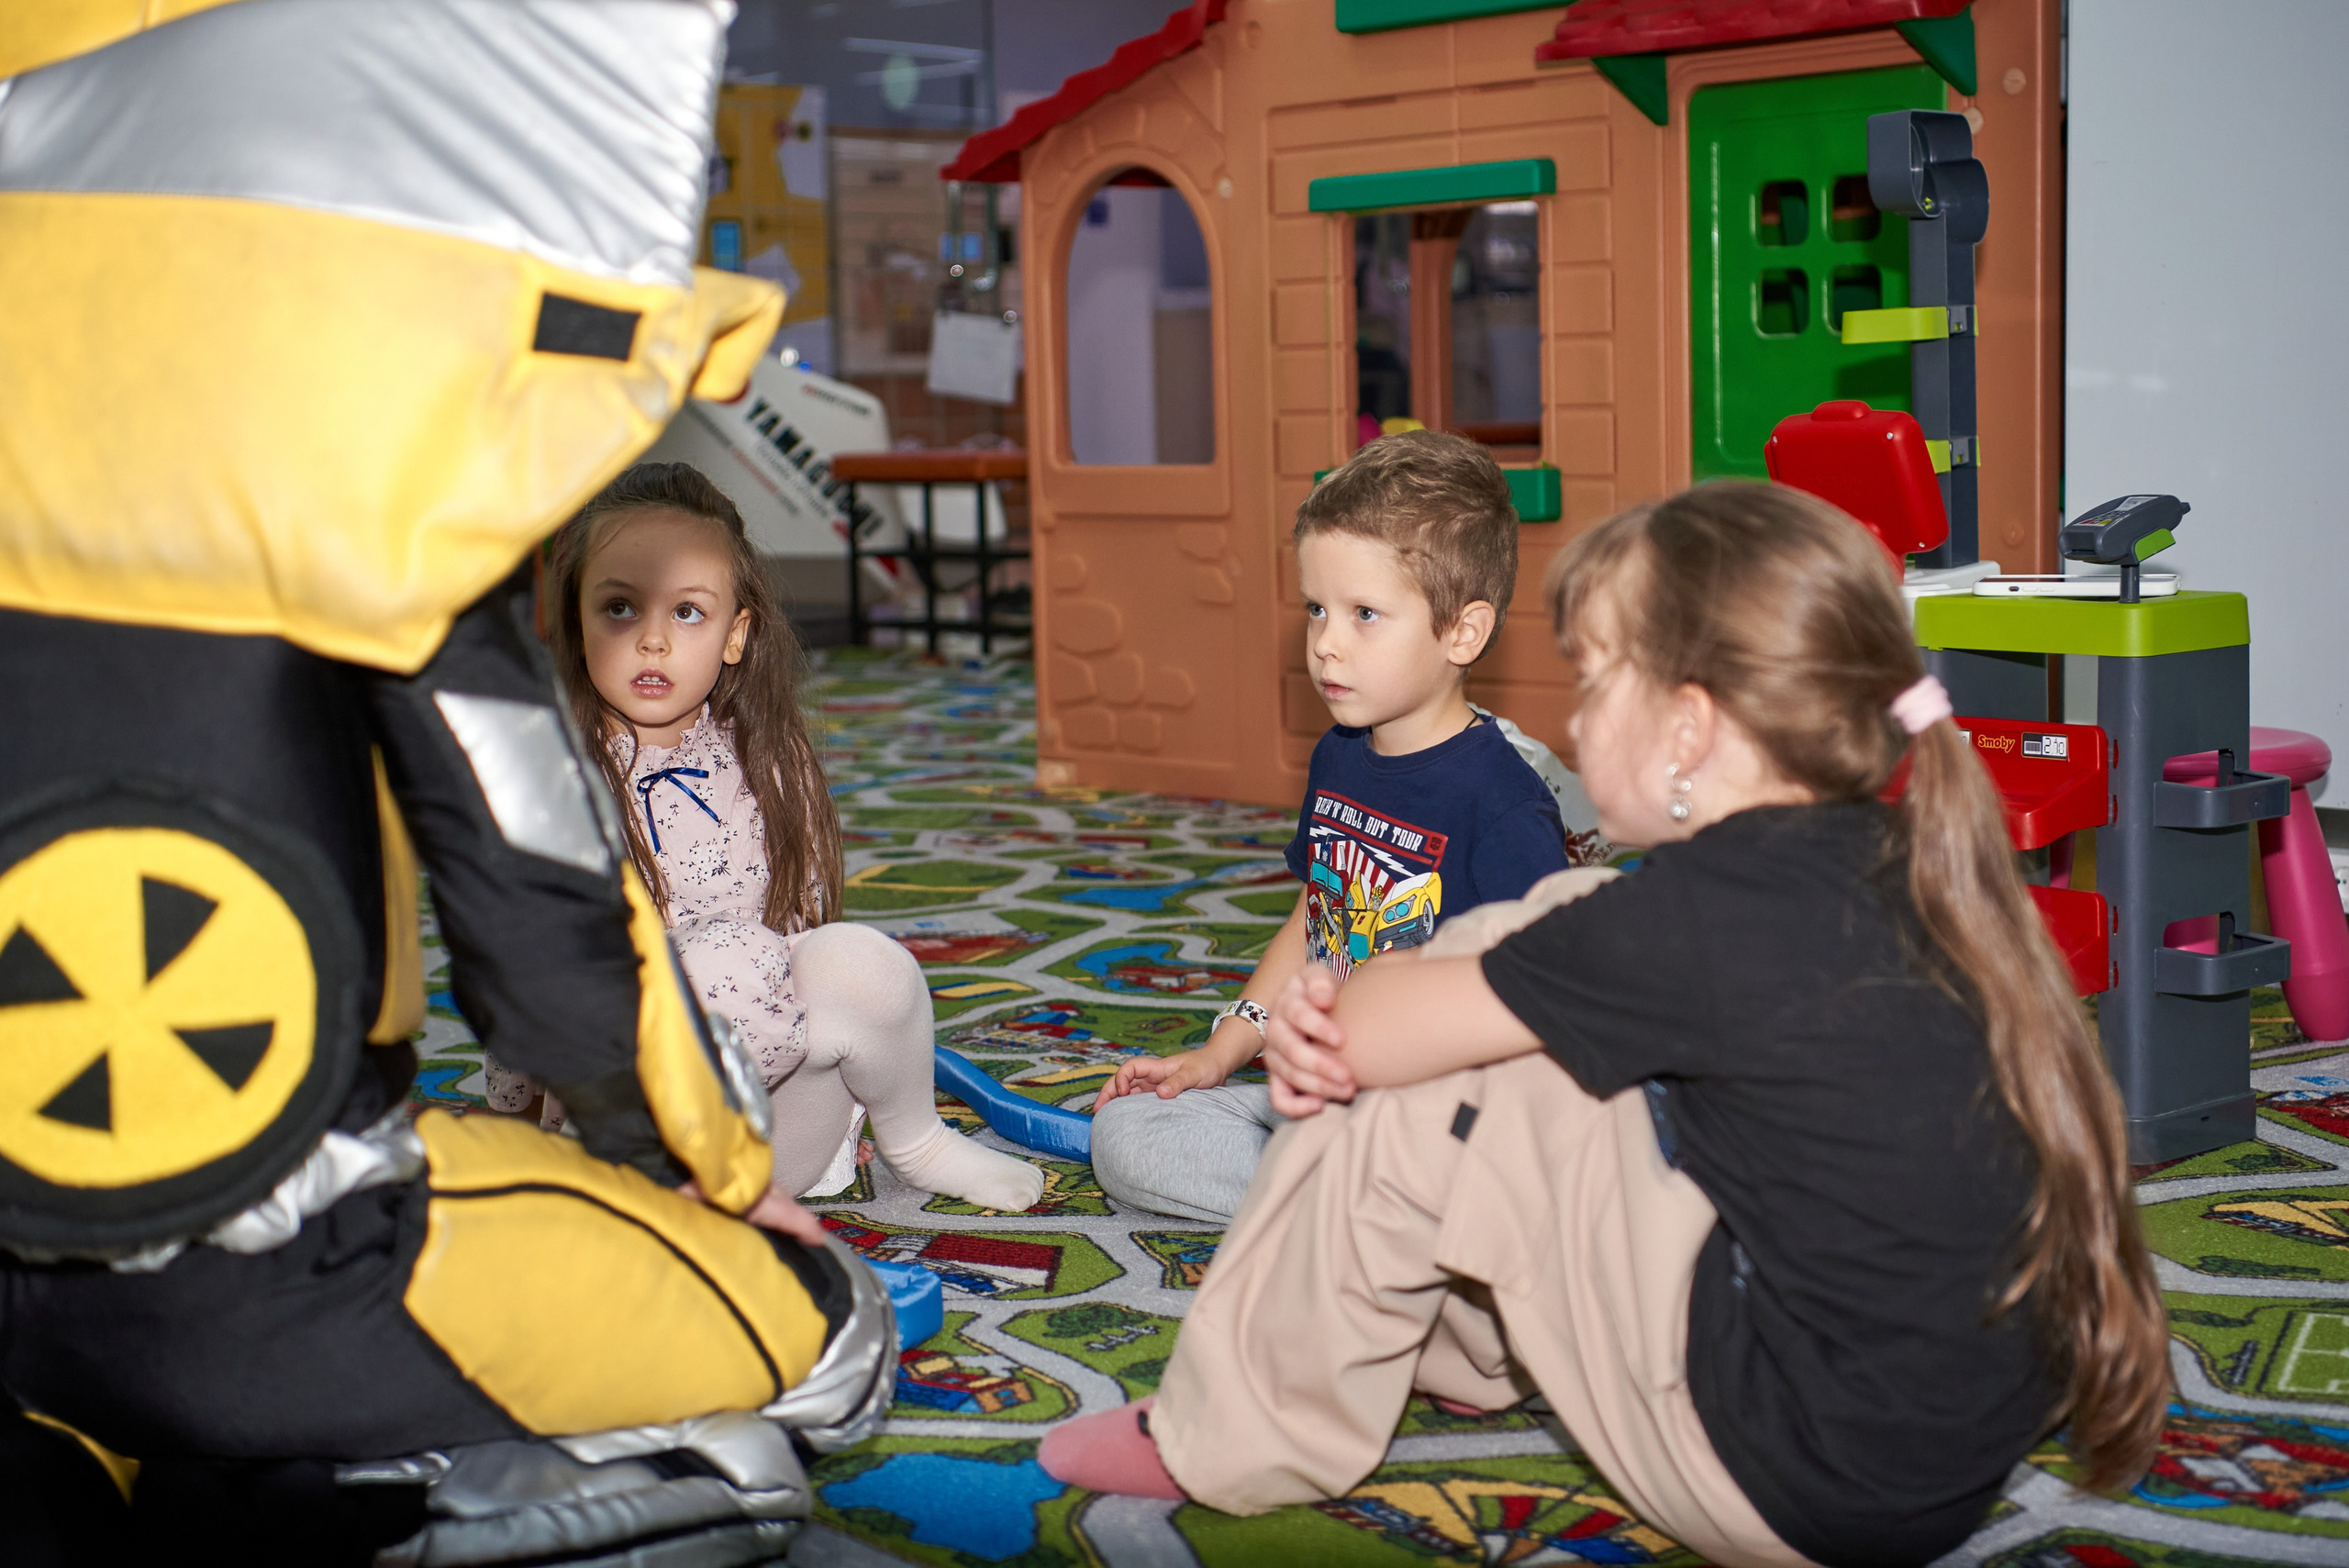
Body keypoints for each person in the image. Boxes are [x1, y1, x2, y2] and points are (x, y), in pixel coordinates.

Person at [1040, 483, 2172, 1567]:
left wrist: (1324, 1023)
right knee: (1531, 986)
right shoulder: (1907, 863)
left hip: (1794, 1475)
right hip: (1934, 1454)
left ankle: (1223, 1440)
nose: (1574, 725)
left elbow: (1366, 1038)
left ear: (1688, 726)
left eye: (1592, 684)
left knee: (1422, 1089)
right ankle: (1472, 1354)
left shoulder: (1692, 914)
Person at [492, 462, 1044, 1215]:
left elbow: (806, 935)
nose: (652, 639)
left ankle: (917, 1145)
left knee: (862, 960)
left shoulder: (771, 761)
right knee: (713, 959)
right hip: (630, 1142)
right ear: (575, 618)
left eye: (687, 612)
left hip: (777, 1120)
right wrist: (515, 1132)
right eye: (620, 607)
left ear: (735, 635)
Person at [1087, 431, 1574, 1224]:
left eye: (1364, 614)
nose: (1325, 643)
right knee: (1126, 1131)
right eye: (1316, 608)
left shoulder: (1505, 807)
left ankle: (1389, 1208)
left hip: (1435, 1117)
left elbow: (1544, 1011)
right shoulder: (1340, 755)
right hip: (1324, 1101)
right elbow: (1316, 916)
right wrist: (1223, 1050)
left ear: (1463, 632)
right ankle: (1351, 1207)